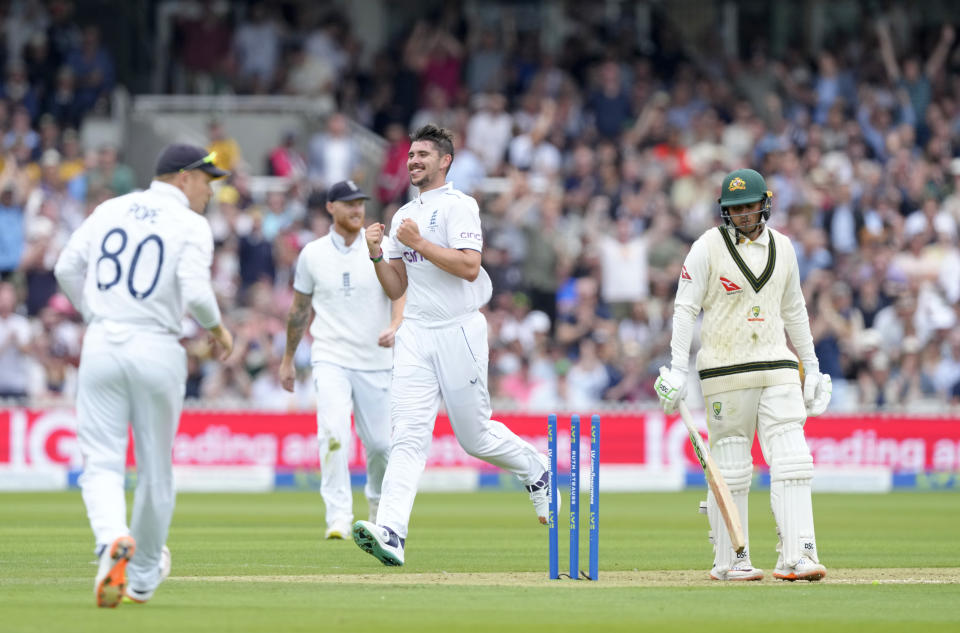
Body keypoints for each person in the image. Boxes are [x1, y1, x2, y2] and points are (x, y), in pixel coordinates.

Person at [352, 124, 552, 566]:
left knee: (474, 436)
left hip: (459, 328)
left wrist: (418, 242)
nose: (413, 161)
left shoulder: (460, 207)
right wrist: (373, 255)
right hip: (416, 333)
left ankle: (537, 468)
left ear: (445, 161)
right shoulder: (406, 211)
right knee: (405, 437)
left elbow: (468, 266)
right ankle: (391, 532)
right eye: (410, 154)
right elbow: (396, 286)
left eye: (423, 154)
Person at [54, 144, 234, 607]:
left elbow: (65, 268)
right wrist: (218, 331)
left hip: (102, 345)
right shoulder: (191, 225)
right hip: (157, 346)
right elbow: (195, 292)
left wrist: (95, 313)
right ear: (182, 178)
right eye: (206, 180)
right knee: (155, 471)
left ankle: (111, 537)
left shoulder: (109, 209)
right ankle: (143, 573)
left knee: (101, 462)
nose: (210, 191)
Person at [654, 168, 832, 582]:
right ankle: (731, 559)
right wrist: (678, 368)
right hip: (723, 370)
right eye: (734, 209)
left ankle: (800, 554)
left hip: (778, 365)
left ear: (764, 204)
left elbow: (795, 311)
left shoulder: (784, 248)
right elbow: (684, 309)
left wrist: (813, 367)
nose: (743, 215)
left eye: (749, 206)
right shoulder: (706, 248)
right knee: (732, 465)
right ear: (724, 211)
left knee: (793, 459)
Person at [279, 180, 404, 540]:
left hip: (376, 358)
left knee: (381, 445)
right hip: (330, 355)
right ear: (330, 207)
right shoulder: (312, 254)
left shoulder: (381, 246)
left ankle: (379, 508)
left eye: (361, 203)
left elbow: (399, 291)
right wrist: (288, 358)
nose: (357, 210)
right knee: (333, 433)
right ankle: (338, 517)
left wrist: (396, 324)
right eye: (348, 203)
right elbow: (299, 309)